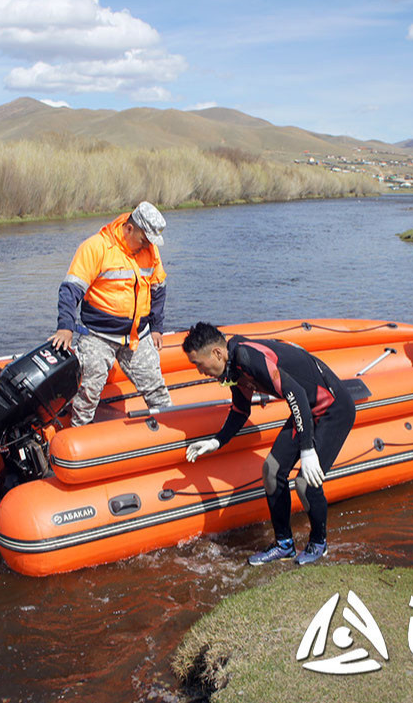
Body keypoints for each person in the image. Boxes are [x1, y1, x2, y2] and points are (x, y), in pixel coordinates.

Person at [181, 322, 356, 567]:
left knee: (306, 483)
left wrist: (307, 449)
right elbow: (240, 411)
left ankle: (319, 543)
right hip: (307, 409)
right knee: (272, 471)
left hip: (333, 409)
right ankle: (284, 544)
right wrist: (216, 441)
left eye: (198, 364)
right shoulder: (234, 368)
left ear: (217, 354)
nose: (200, 371)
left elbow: (296, 394)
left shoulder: (247, 357)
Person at [47, 201, 172, 426]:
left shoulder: (150, 250)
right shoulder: (96, 247)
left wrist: (156, 327)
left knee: (155, 386)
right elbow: (70, 289)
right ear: (130, 228)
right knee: (89, 391)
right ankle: (79, 436)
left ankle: (169, 431)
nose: (147, 246)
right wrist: (65, 326)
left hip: (137, 335)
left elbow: (158, 289)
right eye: (144, 240)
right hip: (98, 335)